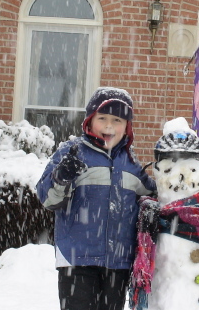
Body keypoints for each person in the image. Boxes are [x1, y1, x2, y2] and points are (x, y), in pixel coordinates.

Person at [36, 87, 156, 310]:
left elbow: (151, 197)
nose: (109, 126)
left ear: (127, 127)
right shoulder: (71, 153)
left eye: (117, 120)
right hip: (77, 258)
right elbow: (48, 199)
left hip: (118, 261)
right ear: (89, 122)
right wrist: (61, 177)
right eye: (102, 118)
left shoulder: (130, 162)